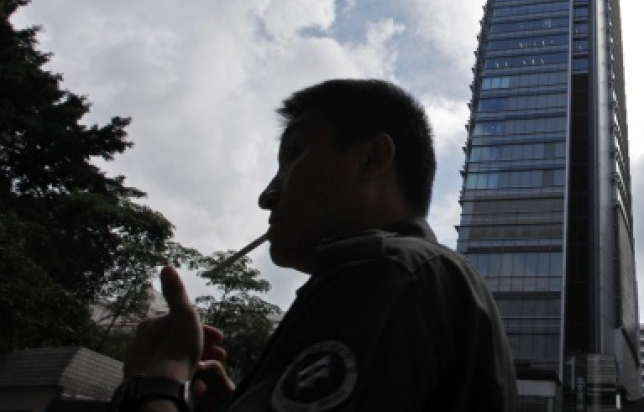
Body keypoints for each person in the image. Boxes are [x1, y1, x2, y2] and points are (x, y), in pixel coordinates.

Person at [116, 79, 518, 411]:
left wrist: (160, 377)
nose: (267, 196)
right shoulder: (414, 276)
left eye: (293, 155)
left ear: (372, 158)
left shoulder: (388, 273)